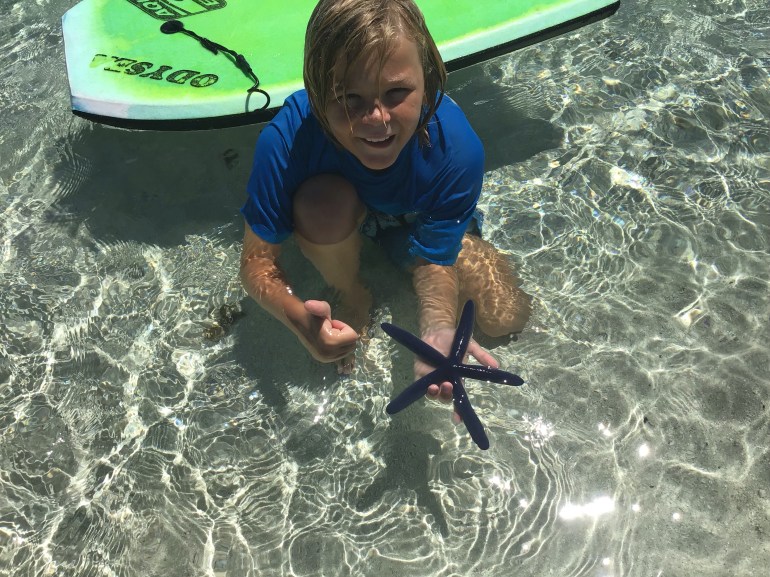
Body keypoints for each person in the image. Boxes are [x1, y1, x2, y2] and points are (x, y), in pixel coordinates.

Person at [240, 0, 530, 415]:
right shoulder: (287, 141)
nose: (376, 119)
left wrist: (437, 328)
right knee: (321, 203)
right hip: (340, 215)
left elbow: (434, 258)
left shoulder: (456, 149)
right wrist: (299, 320)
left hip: (417, 222)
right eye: (348, 98)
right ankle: (354, 294)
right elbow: (257, 262)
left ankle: (425, 251)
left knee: (506, 318)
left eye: (396, 93)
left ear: (428, 80)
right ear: (317, 93)